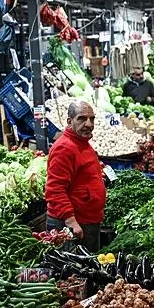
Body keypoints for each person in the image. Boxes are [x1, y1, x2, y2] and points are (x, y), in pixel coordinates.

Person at [46, 101, 106, 253]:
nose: (89, 124)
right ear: (69, 121)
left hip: (87, 220)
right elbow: (54, 189)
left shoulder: (82, 143)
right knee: (74, 273)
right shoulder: (64, 148)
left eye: (92, 119)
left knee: (88, 270)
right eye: (82, 118)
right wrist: (71, 221)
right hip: (73, 225)